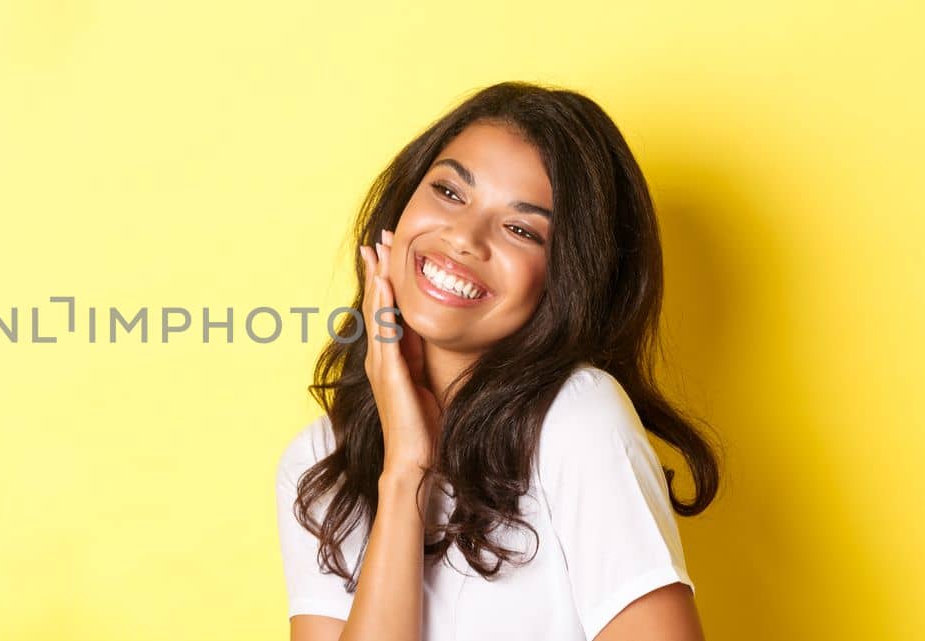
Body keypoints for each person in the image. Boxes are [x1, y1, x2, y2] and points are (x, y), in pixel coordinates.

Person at [275, 81, 722, 641]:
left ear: (566, 278)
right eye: (449, 192)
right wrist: (406, 471)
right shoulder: (321, 463)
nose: (463, 237)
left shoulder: (577, 418)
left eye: (520, 229)